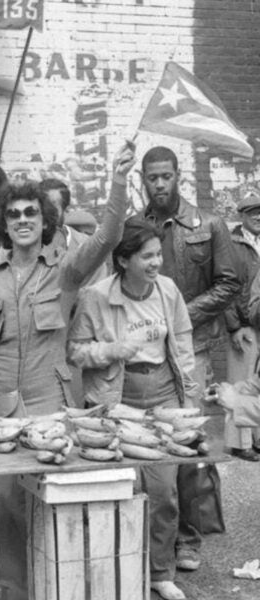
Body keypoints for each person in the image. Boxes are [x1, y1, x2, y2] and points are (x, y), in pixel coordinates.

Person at [0, 143, 135, 600]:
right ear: (4, 224)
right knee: (7, 506)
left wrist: (118, 181)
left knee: (54, 499)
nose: (23, 220)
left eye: (32, 214)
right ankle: (13, 591)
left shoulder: (65, 272)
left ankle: (55, 588)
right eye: (14, 214)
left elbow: (107, 238)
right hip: (3, 403)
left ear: (46, 223)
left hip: (52, 402)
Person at [68, 217, 200, 600]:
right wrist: (110, 350)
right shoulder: (96, 296)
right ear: (124, 260)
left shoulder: (168, 290)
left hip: (163, 391)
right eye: (147, 256)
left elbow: (184, 339)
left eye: (158, 254)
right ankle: (113, 569)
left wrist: (189, 392)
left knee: (163, 491)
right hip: (116, 395)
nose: (156, 262)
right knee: (118, 488)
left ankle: (160, 571)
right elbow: (75, 351)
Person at [138, 146, 240, 572]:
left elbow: (229, 282)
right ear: (142, 180)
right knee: (149, 447)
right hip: (146, 354)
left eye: (166, 176)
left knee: (190, 447)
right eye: (152, 177)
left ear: (178, 176)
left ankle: (188, 538)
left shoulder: (209, 224)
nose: (159, 184)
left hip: (194, 350)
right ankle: (152, 536)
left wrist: (181, 316)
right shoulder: (134, 227)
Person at [41, 178, 107, 406]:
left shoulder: (87, 248)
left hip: (77, 352)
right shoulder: (25, 249)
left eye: (52, 208)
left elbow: (95, 301)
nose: (45, 214)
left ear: (65, 211)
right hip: (37, 357)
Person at [224, 190, 260, 461]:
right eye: (252, 213)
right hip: (244, 323)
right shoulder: (231, 243)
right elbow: (225, 286)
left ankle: (257, 438)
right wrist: (234, 325)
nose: (258, 218)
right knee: (241, 381)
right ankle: (239, 442)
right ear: (242, 216)